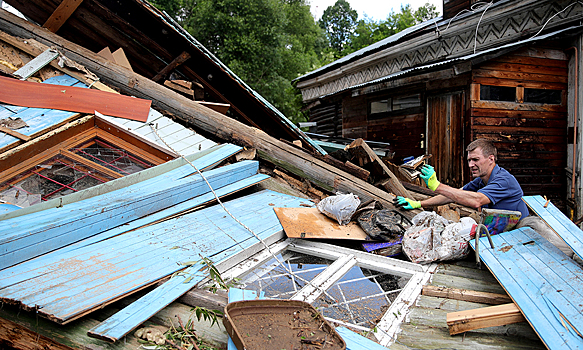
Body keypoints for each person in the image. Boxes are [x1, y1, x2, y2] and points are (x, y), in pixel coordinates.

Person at [395, 138, 529, 218]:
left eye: (475, 160)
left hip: (520, 230)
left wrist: (437, 186)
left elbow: (477, 200)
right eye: (469, 160)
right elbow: (452, 195)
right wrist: (419, 203)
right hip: (501, 228)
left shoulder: (503, 180)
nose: (471, 165)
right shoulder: (481, 181)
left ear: (491, 159)